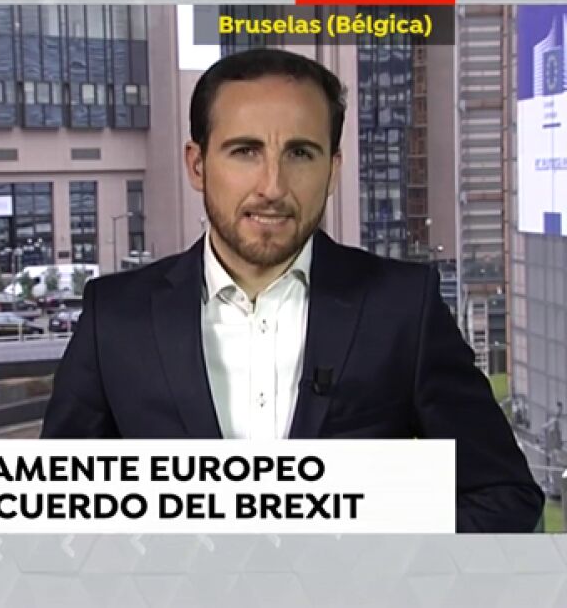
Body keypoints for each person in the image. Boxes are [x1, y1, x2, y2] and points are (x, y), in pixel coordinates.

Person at [41, 48, 544, 533]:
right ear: (197, 165)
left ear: (333, 169)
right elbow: (56, 510)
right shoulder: (115, 318)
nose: (273, 187)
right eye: (245, 151)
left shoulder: (401, 309)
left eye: (300, 153)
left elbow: (503, 496)